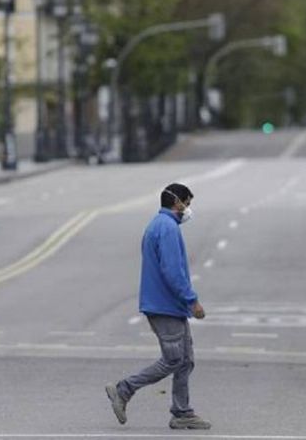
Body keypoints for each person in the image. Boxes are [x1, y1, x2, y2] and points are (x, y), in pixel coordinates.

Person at [105, 183, 210, 430]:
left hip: (166, 305)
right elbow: (173, 272)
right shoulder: (167, 228)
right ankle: (124, 389)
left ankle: (182, 412)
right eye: (188, 203)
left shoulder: (158, 225)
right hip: (165, 305)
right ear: (178, 203)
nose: (189, 209)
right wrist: (192, 300)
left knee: (185, 360)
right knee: (174, 359)